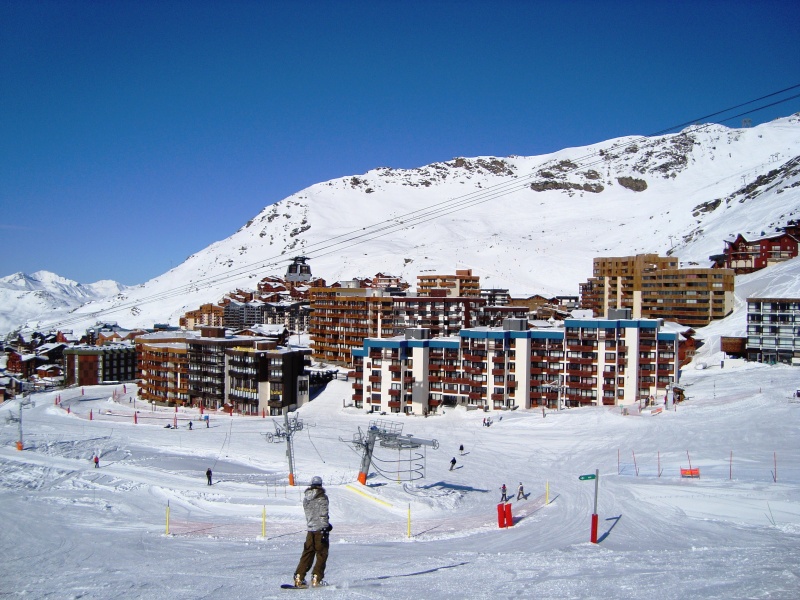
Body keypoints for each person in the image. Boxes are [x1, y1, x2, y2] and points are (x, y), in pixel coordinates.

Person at [294, 476, 331, 588]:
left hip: (310, 530)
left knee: (307, 553)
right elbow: (323, 514)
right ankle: (316, 578)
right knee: (321, 554)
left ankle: (299, 577)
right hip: (321, 530)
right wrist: (326, 527)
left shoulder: (306, 498)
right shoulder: (322, 497)